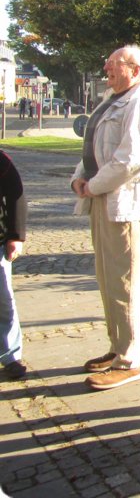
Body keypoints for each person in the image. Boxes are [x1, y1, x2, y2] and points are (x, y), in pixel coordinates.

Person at [70, 45, 140, 390]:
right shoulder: (112, 100)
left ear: (135, 70)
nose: (106, 65)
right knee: (107, 280)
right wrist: (80, 178)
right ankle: (117, 347)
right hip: (102, 201)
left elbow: (130, 160)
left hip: (123, 207)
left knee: (124, 285)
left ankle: (130, 360)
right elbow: (93, 148)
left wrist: (92, 185)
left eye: (115, 62)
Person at [0, 151, 27, 380]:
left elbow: (16, 195)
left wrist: (15, 236)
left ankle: (10, 355)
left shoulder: (1, 160)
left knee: (4, 301)